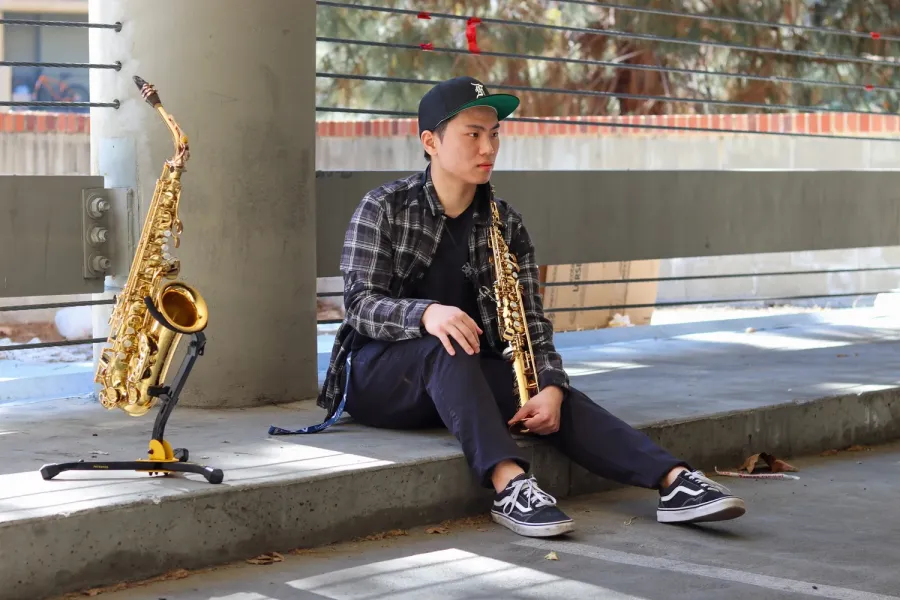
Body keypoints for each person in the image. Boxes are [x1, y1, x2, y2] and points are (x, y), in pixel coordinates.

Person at [277, 76, 747, 538]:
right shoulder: (384, 207)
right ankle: (511, 486)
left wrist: (551, 384)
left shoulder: (505, 224)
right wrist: (426, 313)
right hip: (380, 380)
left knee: (550, 395)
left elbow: (531, 322)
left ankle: (674, 481)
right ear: (430, 142)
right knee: (446, 345)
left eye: (494, 134)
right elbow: (359, 306)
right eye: (472, 135)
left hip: (463, 382)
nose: (488, 148)